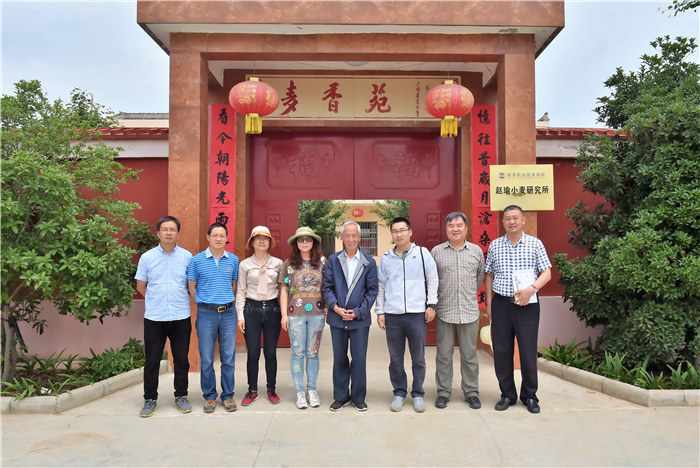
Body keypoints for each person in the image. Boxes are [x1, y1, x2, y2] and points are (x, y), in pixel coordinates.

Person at [485, 205, 552, 414]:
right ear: (503, 222)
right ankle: (507, 395)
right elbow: (489, 275)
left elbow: (547, 273)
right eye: (507, 218)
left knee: (528, 351)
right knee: (502, 352)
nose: (511, 222)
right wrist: (489, 305)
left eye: (515, 218)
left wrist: (531, 289)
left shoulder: (535, 244)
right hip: (501, 304)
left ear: (523, 220)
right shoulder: (495, 245)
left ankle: (530, 396)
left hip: (527, 305)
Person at [376, 217, 438, 413]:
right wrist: (380, 311)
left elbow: (433, 278)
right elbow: (381, 286)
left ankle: (418, 393)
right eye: (395, 231)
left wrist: (431, 304)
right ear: (392, 234)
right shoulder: (386, 258)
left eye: (402, 230)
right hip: (393, 315)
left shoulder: (422, 254)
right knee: (396, 358)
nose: (399, 234)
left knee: (418, 358)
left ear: (410, 232)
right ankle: (399, 392)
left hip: (416, 314)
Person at [135, 215, 193, 418]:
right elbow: (141, 285)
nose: (169, 233)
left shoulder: (187, 257)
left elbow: (191, 285)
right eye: (165, 229)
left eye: (172, 229)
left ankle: (181, 395)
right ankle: (150, 398)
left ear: (178, 233)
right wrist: (155, 300)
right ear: (158, 233)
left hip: (180, 315)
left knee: (181, 359)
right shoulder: (147, 257)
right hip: (155, 317)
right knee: (152, 360)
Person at [431, 212, 485, 410]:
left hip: (469, 311)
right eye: (451, 226)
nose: (455, 229)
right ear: (446, 229)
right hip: (444, 311)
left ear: (466, 228)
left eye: (459, 225)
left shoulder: (476, 251)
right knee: (444, 355)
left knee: (469, 355)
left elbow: (479, 278)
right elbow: (431, 280)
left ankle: (471, 392)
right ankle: (443, 392)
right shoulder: (436, 252)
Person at [322, 221, 378, 412]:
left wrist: (358, 312)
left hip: (359, 320)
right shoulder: (333, 260)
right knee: (339, 358)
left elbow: (372, 291)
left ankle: (358, 397)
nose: (351, 239)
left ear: (359, 237)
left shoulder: (368, 262)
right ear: (342, 237)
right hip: (337, 318)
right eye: (347, 235)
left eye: (354, 235)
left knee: (359, 359)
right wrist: (335, 308)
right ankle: (340, 396)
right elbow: (327, 287)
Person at [187, 222, 239, 414]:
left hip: (228, 313)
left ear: (226, 238)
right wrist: (202, 301)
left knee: (228, 357)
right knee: (207, 357)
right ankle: (209, 396)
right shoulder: (196, 260)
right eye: (214, 235)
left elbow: (234, 285)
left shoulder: (233, 260)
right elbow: (191, 285)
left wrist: (224, 299)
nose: (218, 239)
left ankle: (228, 395)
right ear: (208, 238)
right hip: (206, 314)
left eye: (222, 235)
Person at [279, 226, 327, 410]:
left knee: (313, 353)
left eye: (308, 239)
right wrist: (284, 315)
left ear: (313, 242)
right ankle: (299, 391)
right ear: (296, 243)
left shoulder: (322, 262)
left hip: (317, 315)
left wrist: (327, 307)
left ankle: (312, 390)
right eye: (301, 239)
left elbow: (327, 287)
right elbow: (284, 290)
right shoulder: (289, 264)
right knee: (297, 353)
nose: (305, 242)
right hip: (295, 315)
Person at [236, 226, 284, 406]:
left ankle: (271, 389)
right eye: (258, 238)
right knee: (253, 353)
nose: (262, 241)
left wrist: (284, 313)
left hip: (272, 310)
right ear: (252, 242)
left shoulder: (278, 263)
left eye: (265, 238)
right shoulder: (245, 265)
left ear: (270, 242)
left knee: (271, 353)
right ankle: (252, 390)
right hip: (251, 310)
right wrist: (240, 316)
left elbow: (283, 290)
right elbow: (241, 291)